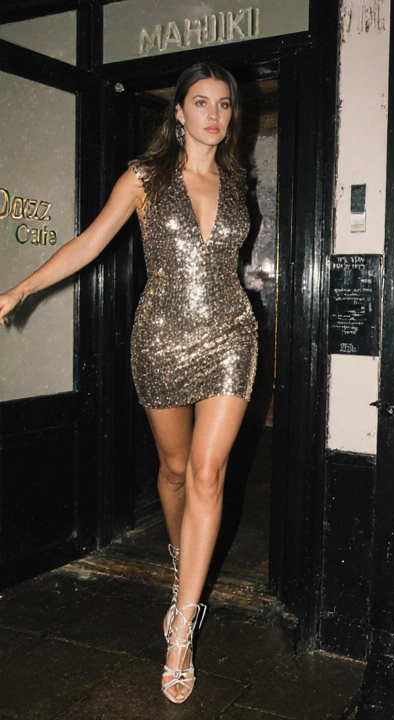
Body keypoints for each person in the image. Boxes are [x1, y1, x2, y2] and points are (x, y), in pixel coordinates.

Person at [0, 62, 257, 704]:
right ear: (177, 113)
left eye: (224, 105)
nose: (214, 115)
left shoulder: (236, 178)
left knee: (206, 473)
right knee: (173, 471)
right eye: (201, 103)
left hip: (232, 335)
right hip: (162, 341)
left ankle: (182, 631)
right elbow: (90, 243)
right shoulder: (145, 178)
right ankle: (183, 561)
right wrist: (23, 287)